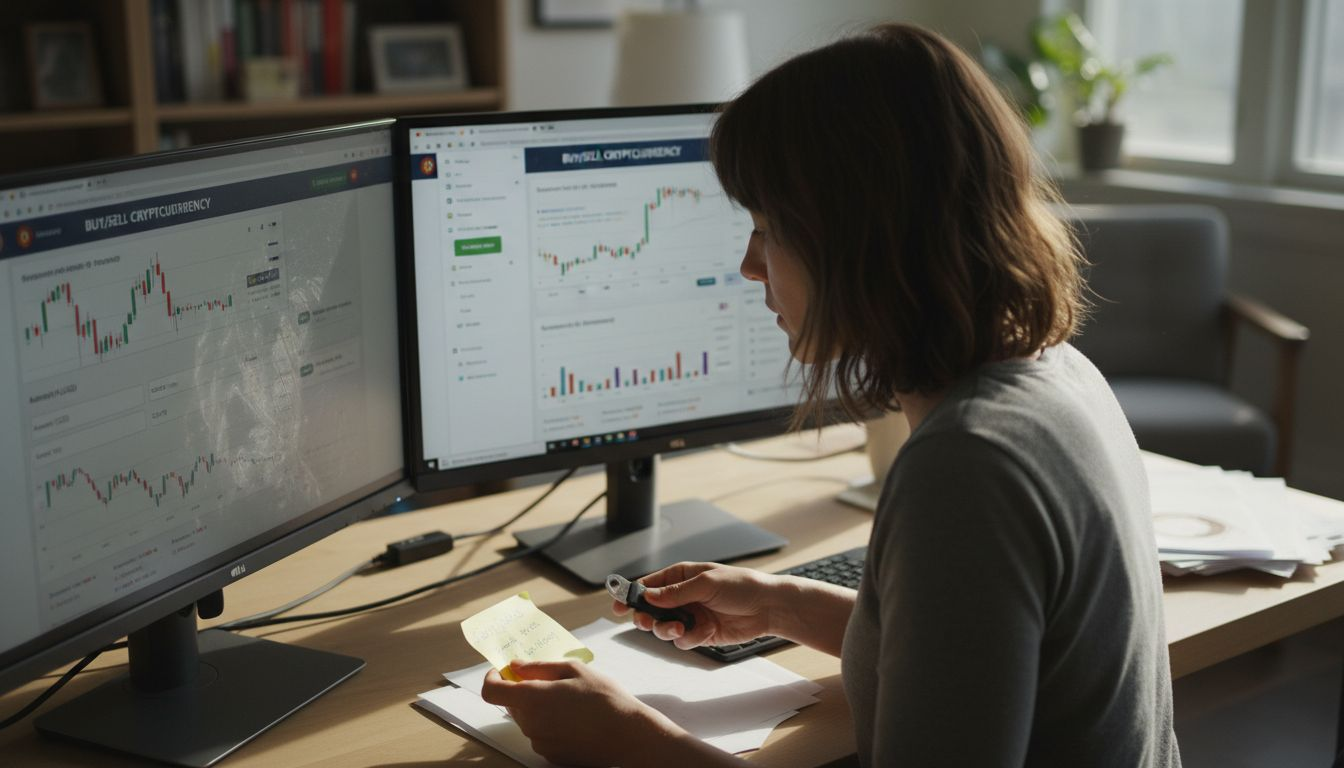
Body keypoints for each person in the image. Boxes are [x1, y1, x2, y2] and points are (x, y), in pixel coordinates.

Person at [480, 22, 1180, 768]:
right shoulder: (1057, 372)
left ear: (857, 240)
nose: (750, 267)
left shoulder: (968, 466)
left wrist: (632, 744)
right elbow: (976, 659)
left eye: (766, 229)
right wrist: (781, 604)